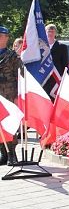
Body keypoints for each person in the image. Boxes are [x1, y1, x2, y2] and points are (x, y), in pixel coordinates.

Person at [0, 26, 21, 165]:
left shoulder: (12, 56)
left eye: (4, 36)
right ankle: (3, 153)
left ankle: (12, 154)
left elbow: (20, 76)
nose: (2, 38)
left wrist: (17, 96)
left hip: (9, 94)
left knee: (10, 124)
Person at [43, 24, 69, 98]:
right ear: (45, 32)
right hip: (44, 78)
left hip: (57, 79)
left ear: (55, 33)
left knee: (56, 100)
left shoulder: (62, 47)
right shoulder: (41, 47)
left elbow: (65, 65)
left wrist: (65, 79)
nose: (50, 33)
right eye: (49, 31)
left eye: (52, 31)